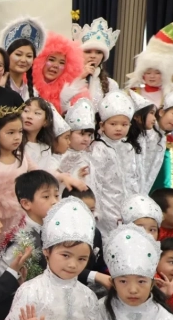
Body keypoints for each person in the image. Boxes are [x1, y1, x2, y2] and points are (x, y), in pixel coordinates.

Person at [90, 90, 141, 236]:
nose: (119, 128)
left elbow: (134, 178)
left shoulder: (128, 147)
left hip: (128, 204)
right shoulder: (98, 148)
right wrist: (96, 209)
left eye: (124, 124)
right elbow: (95, 181)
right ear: (102, 125)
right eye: (113, 124)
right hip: (106, 205)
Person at [0, 170, 60, 280]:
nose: (54, 201)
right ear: (26, 203)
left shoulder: (57, 227)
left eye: (57, 195)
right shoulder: (22, 240)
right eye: (46, 196)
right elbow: (5, 277)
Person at [31, 32, 87, 113]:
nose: (56, 65)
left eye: (62, 63)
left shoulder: (71, 90)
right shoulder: (26, 85)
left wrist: (65, 106)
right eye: (51, 59)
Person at [125, 21, 173, 109]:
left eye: (157, 73)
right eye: (148, 73)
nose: (152, 76)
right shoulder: (131, 94)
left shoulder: (171, 96)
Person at [72, 18, 119, 107]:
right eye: (88, 51)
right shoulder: (68, 78)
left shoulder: (111, 84)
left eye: (98, 52)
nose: (93, 56)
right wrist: (80, 77)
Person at [0, 17, 47, 103]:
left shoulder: (33, 93)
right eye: (18, 54)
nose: (23, 60)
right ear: (7, 55)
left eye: (29, 56)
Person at [59, 98, 97, 190]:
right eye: (81, 134)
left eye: (89, 135)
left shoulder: (88, 156)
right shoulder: (61, 156)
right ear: (68, 134)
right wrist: (76, 176)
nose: (86, 139)